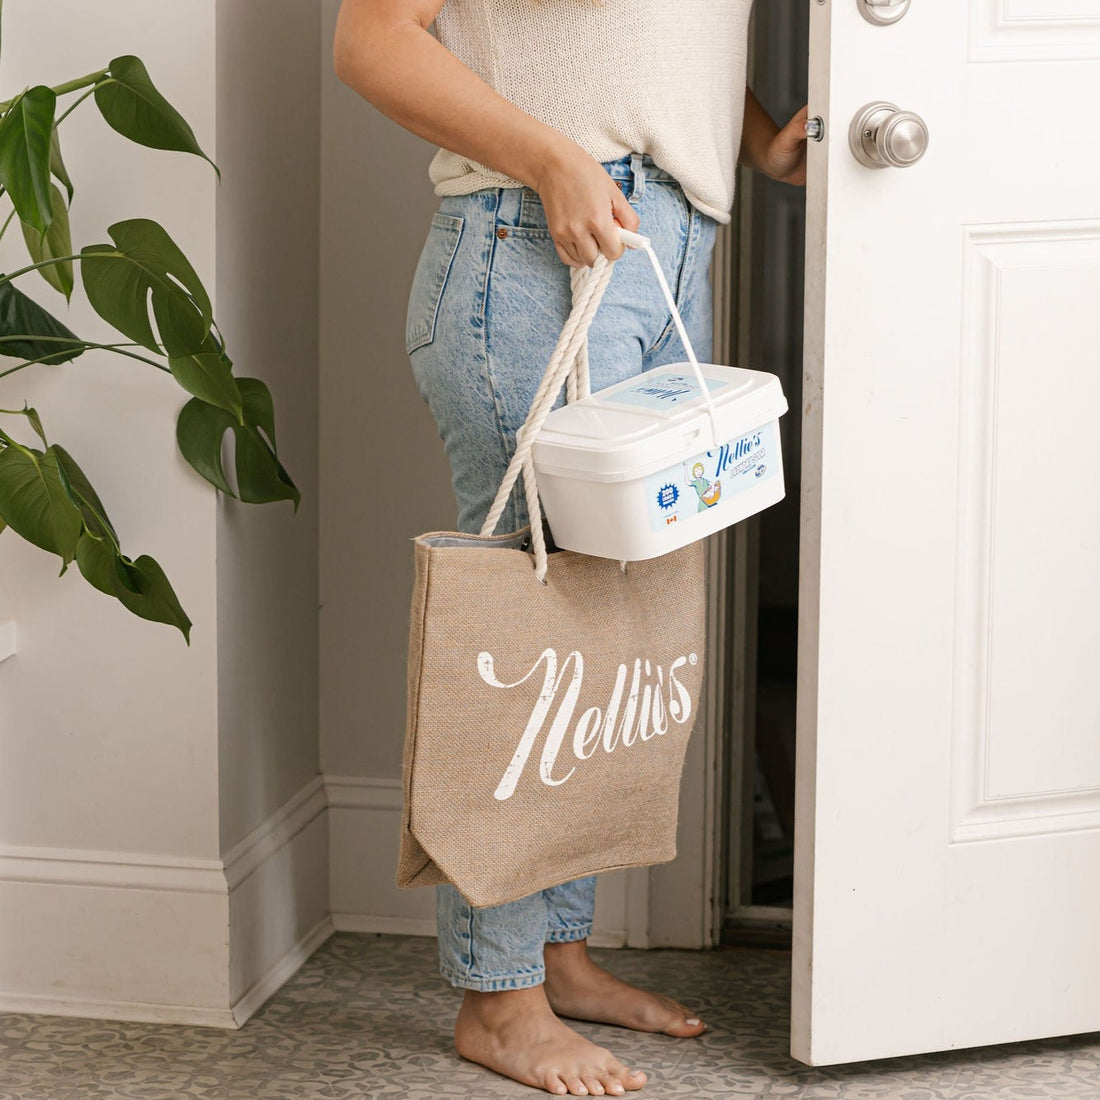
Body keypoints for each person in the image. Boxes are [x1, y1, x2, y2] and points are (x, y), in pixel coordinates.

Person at [333, 1, 807, 1094]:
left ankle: (556, 956)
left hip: (660, 244)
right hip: (532, 242)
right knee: (531, 633)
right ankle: (497, 996)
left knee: (595, 638)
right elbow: (372, 40)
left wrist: (748, 135)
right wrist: (549, 156)